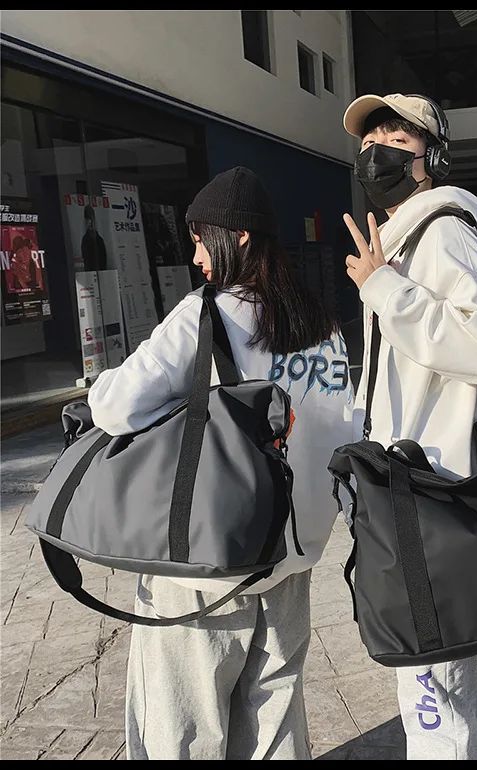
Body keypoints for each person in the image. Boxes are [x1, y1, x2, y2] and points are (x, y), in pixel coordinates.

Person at [87, 166, 353, 760]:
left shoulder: (206, 314)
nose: (196, 255)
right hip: (292, 555)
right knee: (275, 718)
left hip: (208, 560)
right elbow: (340, 430)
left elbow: (114, 406)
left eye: (201, 239)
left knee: (185, 724)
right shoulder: (321, 324)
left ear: (239, 237)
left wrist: (100, 382)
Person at [341, 93, 477, 760]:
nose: (377, 151)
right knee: (447, 678)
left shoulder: (443, 231)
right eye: (370, 140)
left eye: (398, 138)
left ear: (432, 157)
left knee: (437, 682)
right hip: (412, 488)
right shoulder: (404, 238)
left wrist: (384, 288)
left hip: (436, 491)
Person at [81, 204, 108, 271]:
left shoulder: (99, 240)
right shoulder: (85, 240)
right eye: (88, 219)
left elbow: (104, 262)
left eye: (91, 219)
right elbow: (86, 262)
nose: (90, 222)